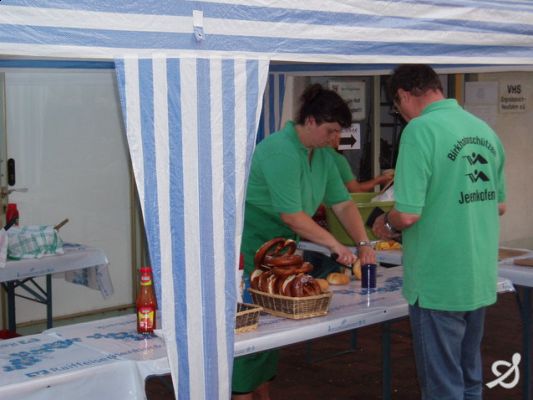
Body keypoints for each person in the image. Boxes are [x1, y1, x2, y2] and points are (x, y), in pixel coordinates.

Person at [233, 83, 376, 399]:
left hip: (281, 249)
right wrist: (335, 245)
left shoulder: (322, 155)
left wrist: (364, 244)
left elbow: (343, 204)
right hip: (250, 247)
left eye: (338, 132)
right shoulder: (279, 150)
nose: (334, 138)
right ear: (310, 121)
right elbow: (292, 216)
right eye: (330, 130)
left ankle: (262, 395)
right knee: (249, 329)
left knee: (273, 325)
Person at [372, 64, 506, 399]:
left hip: (438, 278)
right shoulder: (483, 130)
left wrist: (385, 223)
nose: (400, 115)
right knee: (469, 378)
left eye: (396, 107)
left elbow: (408, 214)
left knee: (443, 386)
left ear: (403, 95)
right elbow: (500, 205)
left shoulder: (419, 130)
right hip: (477, 274)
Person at [327, 134, 393, 193]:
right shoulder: (336, 159)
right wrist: (379, 180)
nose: (340, 135)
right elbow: (356, 189)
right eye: (338, 131)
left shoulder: (322, 154)